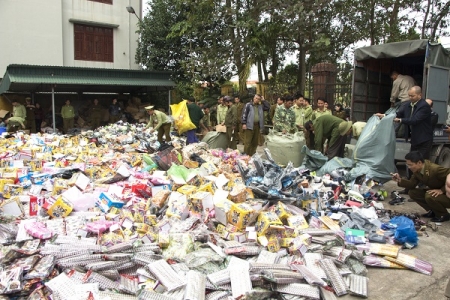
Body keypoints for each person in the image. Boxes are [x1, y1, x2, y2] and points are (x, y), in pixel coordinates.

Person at [391, 151, 450, 222]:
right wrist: (399, 180)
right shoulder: (418, 171)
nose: (409, 167)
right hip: (437, 193)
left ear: (419, 162)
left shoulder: (435, 169)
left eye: (410, 165)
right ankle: (433, 211)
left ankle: (443, 214)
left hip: (447, 195)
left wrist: (442, 190)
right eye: (408, 165)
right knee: (413, 192)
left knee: (429, 195)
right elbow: (412, 184)